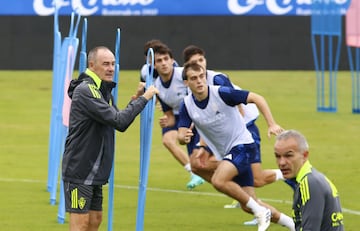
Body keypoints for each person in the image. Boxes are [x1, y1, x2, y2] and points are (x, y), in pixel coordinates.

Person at [178, 62, 295, 231]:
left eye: (202, 76)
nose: (199, 81)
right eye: (193, 78)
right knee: (248, 204)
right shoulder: (187, 105)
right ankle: (293, 225)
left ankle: (261, 211)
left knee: (219, 180)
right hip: (227, 152)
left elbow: (256, 98)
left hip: (244, 145)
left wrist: (271, 123)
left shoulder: (221, 93)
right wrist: (184, 138)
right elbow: (181, 135)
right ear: (186, 83)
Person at [62, 46, 159, 231]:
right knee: (80, 224)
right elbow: (119, 121)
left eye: (113, 64)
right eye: (105, 64)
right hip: (80, 169)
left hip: (95, 169)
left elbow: (117, 117)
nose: (111, 68)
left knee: (95, 220)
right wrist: (145, 98)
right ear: (91, 65)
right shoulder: (87, 90)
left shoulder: (102, 90)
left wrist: (136, 98)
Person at [152, 43, 205, 190]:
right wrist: (165, 121)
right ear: (154, 65)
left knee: (205, 158)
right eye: (159, 61)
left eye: (165, 59)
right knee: (167, 141)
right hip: (179, 116)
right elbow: (169, 116)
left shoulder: (184, 75)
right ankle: (193, 173)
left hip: (195, 116)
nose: (163, 63)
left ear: (172, 60)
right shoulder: (157, 85)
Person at [274, 130, 345, 231]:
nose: (282, 162)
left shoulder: (309, 183)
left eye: (288, 155)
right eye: (277, 156)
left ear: (305, 155)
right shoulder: (312, 178)